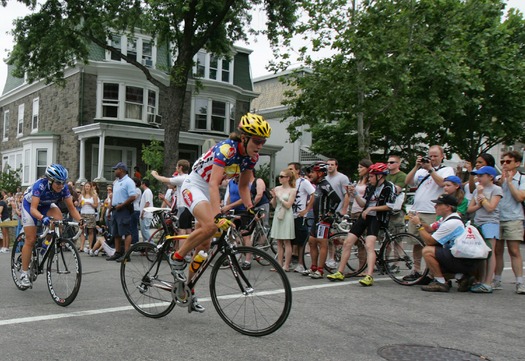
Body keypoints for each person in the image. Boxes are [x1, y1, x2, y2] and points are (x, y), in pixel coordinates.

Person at [171, 113, 271, 313]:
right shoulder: (227, 149)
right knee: (210, 226)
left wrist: (250, 208)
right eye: (257, 141)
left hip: (209, 191)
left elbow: (244, 186)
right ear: (244, 137)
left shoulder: (251, 157)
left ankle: (188, 288)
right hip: (195, 186)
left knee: (204, 246)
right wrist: (217, 215)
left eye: (263, 142)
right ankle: (177, 257)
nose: (260, 145)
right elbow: (214, 183)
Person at [327, 163, 396, 286]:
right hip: (365, 216)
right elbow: (364, 203)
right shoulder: (370, 187)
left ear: (379, 176)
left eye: (371, 176)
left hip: (378, 218)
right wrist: (355, 195)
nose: (369, 178)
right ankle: (340, 272)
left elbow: (389, 206)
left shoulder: (389, 187)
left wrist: (371, 209)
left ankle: (369, 275)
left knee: (369, 245)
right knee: (348, 242)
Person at [19, 164, 83, 288]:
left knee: (59, 221)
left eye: (63, 182)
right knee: (30, 239)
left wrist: (81, 220)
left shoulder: (64, 188)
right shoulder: (40, 186)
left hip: (46, 205)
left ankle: (45, 246)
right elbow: (33, 209)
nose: (61, 185)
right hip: (30, 206)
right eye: (58, 183)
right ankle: (24, 273)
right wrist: (43, 218)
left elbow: (71, 208)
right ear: (50, 180)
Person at [409, 194, 483, 292]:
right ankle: (461, 277)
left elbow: (430, 241)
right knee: (434, 262)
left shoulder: (451, 223)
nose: (435, 206)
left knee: (428, 251)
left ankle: (441, 283)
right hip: (460, 256)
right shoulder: (445, 219)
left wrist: (418, 225)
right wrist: (419, 220)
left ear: (448, 207)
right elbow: (430, 228)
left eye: (439, 204)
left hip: (463, 260)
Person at [403, 145, 455, 281]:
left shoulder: (446, 170)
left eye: (435, 156)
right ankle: (416, 270)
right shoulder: (421, 171)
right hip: (417, 210)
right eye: (430, 156)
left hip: (432, 211)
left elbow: (443, 184)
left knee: (430, 242)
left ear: (442, 156)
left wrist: (430, 169)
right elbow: (407, 182)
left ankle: (431, 273)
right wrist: (416, 166)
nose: (432, 158)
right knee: (416, 241)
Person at [466, 166, 502, 293]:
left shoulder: (496, 189)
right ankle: (480, 280)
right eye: (478, 176)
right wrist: (478, 203)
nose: (478, 178)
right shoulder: (476, 190)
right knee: (481, 252)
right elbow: (469, 209)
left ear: (490, 177)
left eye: (481, 176)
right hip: (478, 222)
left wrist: (481, 195)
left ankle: (488, 282)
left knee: (490, 252)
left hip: (491, 222)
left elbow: (491, 208)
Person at [494, 151, 525, 294]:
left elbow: (519, 197)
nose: (504, 164)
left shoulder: (522, 179)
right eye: (502, 162)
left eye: (508, 162)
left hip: (513, 218)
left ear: (517, 163)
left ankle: (520, 282)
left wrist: (510, 182)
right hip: (497, 217)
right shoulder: (498, 178)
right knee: (497, 251)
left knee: (514, 251)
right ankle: (497, 279)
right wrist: (501, 181)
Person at [303, 162, 341, 279]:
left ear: (320, 173)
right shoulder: (318, 185)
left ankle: (320, 270)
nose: (311, 174)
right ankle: (313, 267)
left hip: (323, 220)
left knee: (322, 243)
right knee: (312, 241)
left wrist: (329, 213)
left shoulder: (325, 185)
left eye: (313, 172)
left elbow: (337, 199)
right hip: (316, 218)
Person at [151, 159, 193, 234]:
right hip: (189, 207)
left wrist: (154, 174)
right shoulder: (189, 177)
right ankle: (191, 245)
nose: (175, 168)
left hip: (182, 207)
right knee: (188, 230)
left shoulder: (182, 178)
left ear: (180, 167)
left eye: (177, 166)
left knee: (182, 231)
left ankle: (182, 246)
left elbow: (164, 180)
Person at [106, 162, 137, 263]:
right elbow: (114, 196)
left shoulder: (129, 182)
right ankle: (117, 252)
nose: (115, 171)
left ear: (122, 170)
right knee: (116, 233)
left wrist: (122, 205)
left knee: (126, 232)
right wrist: (110, 209)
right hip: (115, 209)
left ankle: (126, 254)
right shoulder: (116, 182)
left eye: (116, 169)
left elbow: (133, 196)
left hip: (123, 209)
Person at [288, 162, 315, 273]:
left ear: (298, 170)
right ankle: (288, 262)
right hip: (289, 215)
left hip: (299, 214)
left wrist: (307, 210)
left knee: (300, 241)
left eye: (291, 169)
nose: (289, 171)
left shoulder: (304, 182)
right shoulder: (289, 182)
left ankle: (301, 263)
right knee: (289, 240)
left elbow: (313, 194)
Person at [269, 168, 297, 271]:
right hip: (278, 213)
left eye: (282, 176)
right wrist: (274, 198)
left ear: (288, 178)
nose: (280, 178)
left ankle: (286, 264)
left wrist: (280, 197)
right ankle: (279, 264)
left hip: (287, 214)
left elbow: (289, 205)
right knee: (279, 241)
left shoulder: (292, 190)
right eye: (279, 176)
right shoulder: (277, 188)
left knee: (287, 241)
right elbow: (274, 205)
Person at [325, 158, 351, 269]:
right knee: (329, 236)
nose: (329, 166)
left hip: (338, 210)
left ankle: (337, 256)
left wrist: (344, 209)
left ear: (336, 166)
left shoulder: (342, 178)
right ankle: (331, 258)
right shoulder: (325, 178)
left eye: (332, 164)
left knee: (337, 237)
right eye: (328, 165)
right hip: (328, 211)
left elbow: (346, 194)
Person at [78, 181, 99, 253]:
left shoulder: (94, 195)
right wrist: (80, 202)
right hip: (83, 213)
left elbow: (96, 205)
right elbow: (79, 205)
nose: (87, 188)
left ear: (90, 187)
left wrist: (90, 203)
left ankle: (90, 246)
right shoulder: (81, 195)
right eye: (85, 186)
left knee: (90, 230)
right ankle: (81, 246)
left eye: (88, 186)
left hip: (90, 214)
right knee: (82, 230)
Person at [130, 177, 142, 244]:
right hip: (132, 209)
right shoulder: (134, 189)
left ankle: (135, 240)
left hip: (135, 209)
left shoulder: (137, 190)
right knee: (131, 225)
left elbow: (134, 198)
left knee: (133, 225)